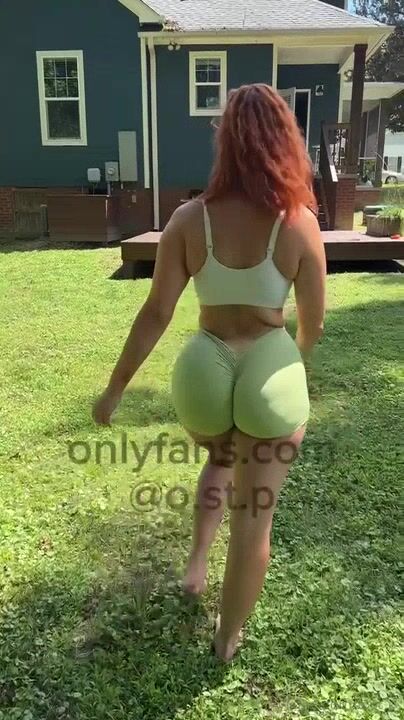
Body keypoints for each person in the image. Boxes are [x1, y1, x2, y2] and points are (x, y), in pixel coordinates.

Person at [93, 84, 326, 662]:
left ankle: (196, 564)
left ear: (226, 143)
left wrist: (114, 391)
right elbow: (313, 324)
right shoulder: (299, 223)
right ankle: (226, 640)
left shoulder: (187, 220)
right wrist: (289, 368)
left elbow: (156, 312)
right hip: (269, 367)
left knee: (220, 460)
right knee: (254, 520)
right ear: (284, 142)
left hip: (203, 373)